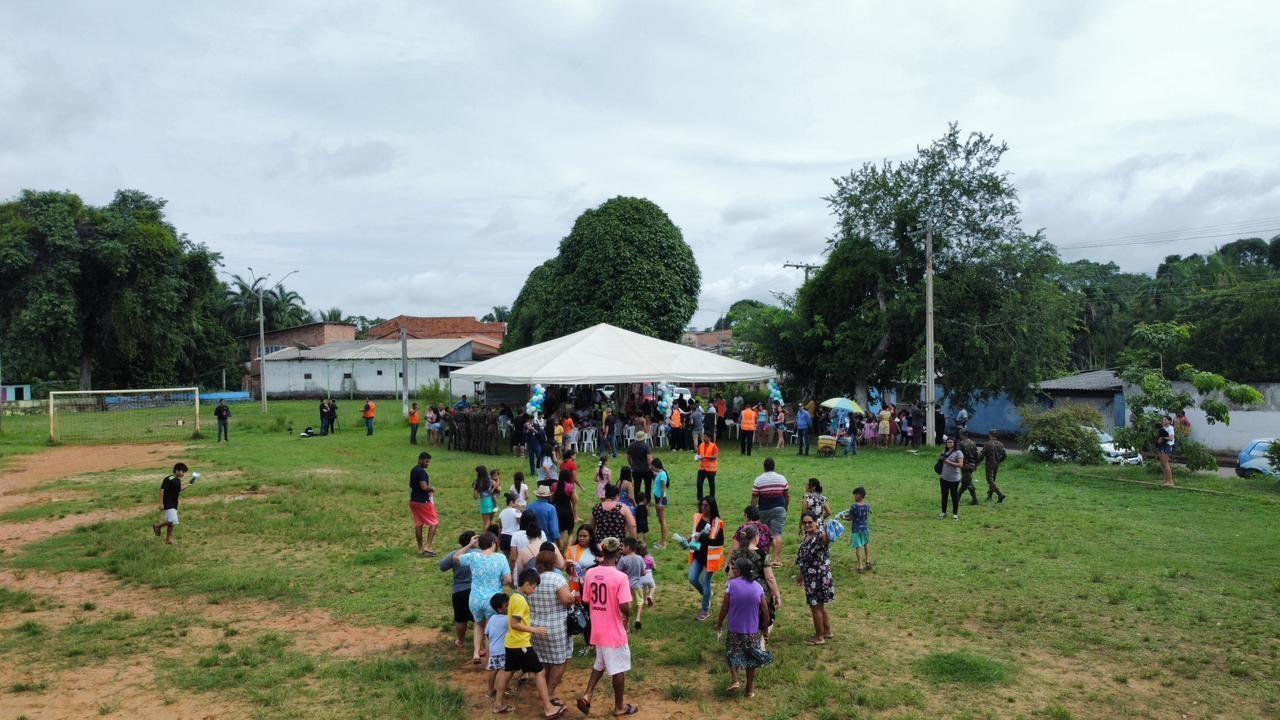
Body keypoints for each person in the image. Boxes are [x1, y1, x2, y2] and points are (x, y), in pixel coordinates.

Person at [576, 537, 636, 718]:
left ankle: (587, 695)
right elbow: (624, 604)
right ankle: (619, 707)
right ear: (618, 552)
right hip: (613, 629)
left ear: (601, 550)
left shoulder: (591, 574)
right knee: (618, 669)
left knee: (600, 663)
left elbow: (586, 600)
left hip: (598, 627)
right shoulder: (620, 577)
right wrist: (627, 614)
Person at [492, 569, 565, 719]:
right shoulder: (520, 600)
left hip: (512, 642)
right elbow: (514, 623)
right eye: (533, 587)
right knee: (539, 672)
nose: (534, 590)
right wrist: (535, 630)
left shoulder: (514, 596)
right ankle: (548, 708)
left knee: (508, 672)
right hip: (520, 643)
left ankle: (498, 704)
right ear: (526, 584)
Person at [716, 556, 774, 696]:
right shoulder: (758, 587)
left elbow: (725, 607)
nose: (732, 569)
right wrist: (765, 630)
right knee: (751, 660)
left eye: (734, 567)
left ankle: (735, 679)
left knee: (732, 653)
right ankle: (749, 690)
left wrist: (719, 622)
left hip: (735, 628)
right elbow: (765, 611)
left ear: (739, 571)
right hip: (752, 631)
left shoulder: (732, 584)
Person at [453, 532, 512, 664]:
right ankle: (490, 661)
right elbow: (508, 579)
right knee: (490, 630)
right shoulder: (500, 558)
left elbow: (456, 557)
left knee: (478, 624)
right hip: (493, 601)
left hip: (475, 599)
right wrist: (502, 582)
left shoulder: (474, 556)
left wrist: (469, 545)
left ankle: (476, 653)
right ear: (493, 543)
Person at [531, 549, 577, 699]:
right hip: (556, 627)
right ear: (553, 563)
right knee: (560, 661)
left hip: (536, 626)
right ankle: (549, 692)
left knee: (543, 659)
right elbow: (567, 600)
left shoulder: (532, 579)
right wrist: (573, 596)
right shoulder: (556, 579)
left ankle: (543, 691)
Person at [727, 525, 780, 644]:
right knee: (767, 613)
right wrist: (777, 595)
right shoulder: (763, 555)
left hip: (739, 591)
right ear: (756, 537)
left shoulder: (736, 554)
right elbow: (770, 578)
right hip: (759, 591)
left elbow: (731, 575)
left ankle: (742, 641)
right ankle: (761, 642)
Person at [796, 512, 834, 645]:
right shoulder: (808, 535)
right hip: (810, 576)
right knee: (820, 606)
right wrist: (801, 575)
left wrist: (829, 529)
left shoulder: (820, 535)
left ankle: (819, 637)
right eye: (804, 522)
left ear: (816, 522)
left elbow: (826, 540)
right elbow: (804, 557)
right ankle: (827, 631)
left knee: (815, 607)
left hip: (817, 577)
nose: (807, 525)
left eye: (809, 522)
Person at [686, 496, 725, 621]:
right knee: (692, 578)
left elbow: (719, 541)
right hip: (699, 554)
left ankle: (705, 609)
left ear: (711, 507)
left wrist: (701, 538)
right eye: (702, 505)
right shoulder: (698, 518)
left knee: (706, 582)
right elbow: (695, 534)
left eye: (706, 505)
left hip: (711, 558)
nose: (703, 507)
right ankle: (708, 596)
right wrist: (689, 540)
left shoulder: (717, 522)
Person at [439, 531, 479, 651]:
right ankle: (481, 647)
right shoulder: (480, 553)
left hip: (459, 591)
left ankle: (460, 641)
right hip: (476, 591)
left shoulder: (454, 554)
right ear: (473, 540)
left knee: (460, 618)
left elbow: (442, 566)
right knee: (478, 619)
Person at [751, 458, 789, 568]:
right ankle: (777, 559)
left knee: (764, 533)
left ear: (764, 467)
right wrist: (786, 506)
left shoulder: (759, 480)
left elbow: (754, 497)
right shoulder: (782, 478)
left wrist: (753, 510)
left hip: (764, 509)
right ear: (774, 466)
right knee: (777, 534)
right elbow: (786, 494)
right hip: (779, 508)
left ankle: (765, 557)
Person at [152, 462, 196, 544]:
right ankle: (158, 526)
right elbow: (162, 490)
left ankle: (168, 540)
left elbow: (179, 490)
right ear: (177, 471)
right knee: (173, 520)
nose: (183, 474)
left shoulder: (178, 480)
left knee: (171, 522)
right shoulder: (169, 479)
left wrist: (189, 485)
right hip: (168, 502)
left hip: (174, 503)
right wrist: (160, 503)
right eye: (182, 472)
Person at [617, 538, 651, 631]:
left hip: (626, 587)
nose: (621, 548)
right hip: (637, 585)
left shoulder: (623, 560)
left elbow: (617, 573)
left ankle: (627, 627)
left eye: (622, 546)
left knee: (627, 606)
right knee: (640, 602)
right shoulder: (640, 558)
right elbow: (643, 573)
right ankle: (638, 618)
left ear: (628, 547)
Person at [409, 452, 438, 556]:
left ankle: (420, 548)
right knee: (434, 522)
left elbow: (411, 485)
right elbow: (424, 487)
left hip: (413, 501)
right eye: (426, 461)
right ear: (420, 460)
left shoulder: (413, 470)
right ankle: (428, 547)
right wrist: (431, 488)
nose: (428, 464)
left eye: (429, 462)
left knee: (419, 524)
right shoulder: (421, 472)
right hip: (423, 502)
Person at [484, 593, 510, 700]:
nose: (509, 607)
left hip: (494, 650)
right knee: (505, 672)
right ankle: (504, 689)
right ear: (500, 609)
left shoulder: (492, 618)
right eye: (507, 605)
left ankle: (490, 690)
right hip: (504, 650)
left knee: (493, 671)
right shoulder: (508, 619)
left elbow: (487, 633)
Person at [565, 524, 598, 598]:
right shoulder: (572, 550)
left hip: (595, 586)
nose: (581, 538)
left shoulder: (598, 549)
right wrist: (568, 566)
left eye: (585, 536)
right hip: (578, 588)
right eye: (580, 536)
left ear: (591, 537)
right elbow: (569, 572)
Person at [526, 486, 561, 551]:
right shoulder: (551, 508)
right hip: (547, 542)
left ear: (537, 496)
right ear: (548, 496)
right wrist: (559, 545)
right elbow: (554, 530)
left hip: (530, 540)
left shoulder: (529, 507)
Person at [846, 487, 872, 572]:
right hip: (865, 529)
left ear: (859, 495)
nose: (854, 496)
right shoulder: (867, 506)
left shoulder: (854, 506)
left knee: (858, 547)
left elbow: (850, 518)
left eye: (855, 495)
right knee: (866, 544)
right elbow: (869, 511)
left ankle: (860, 566)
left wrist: (843, 517)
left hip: (856, 530)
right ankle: (868, 561)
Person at [938, 437, 964, 520]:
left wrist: (949, 462)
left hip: (954, 479)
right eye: (948, 442)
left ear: (954, 443)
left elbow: (960, 465)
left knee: (954, 496)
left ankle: (955, 514)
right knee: (944, 496)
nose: (949, 443)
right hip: (944, 477)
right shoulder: (944, 451)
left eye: (951, 442)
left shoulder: (958, 453)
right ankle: (943, 512)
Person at [978, 431, 1008, 503]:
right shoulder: (1000, 444)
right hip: (996, 464)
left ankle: (1000, 494)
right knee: (992, 480)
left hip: (989, 464)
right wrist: (999, 460)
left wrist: (978, 460)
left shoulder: (987, 444)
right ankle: (989, 496)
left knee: (989, 480)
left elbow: (982, 455)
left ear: (990, 435)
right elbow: (1005, 455)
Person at [553, 469, 577, 550]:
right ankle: (567, 551)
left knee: (561, 533)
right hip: (567, 511)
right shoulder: (570, 487)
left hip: (557, 511)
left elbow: (552, 499)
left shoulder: (554, 486)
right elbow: (574, 501)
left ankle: (561, 551)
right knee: (571, 533)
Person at [626, 432, 654, 499]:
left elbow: (628, 457)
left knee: (637, 486)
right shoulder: (646, 446)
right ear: (644, 438)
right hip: (646, 469)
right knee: (648, 486)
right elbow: (649, 458)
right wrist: (651, 467)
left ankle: (637, 500)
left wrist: (631, 464)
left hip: (635, 469)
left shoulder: (631, 446)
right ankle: (647, 500)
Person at [650, 458, 669, 548]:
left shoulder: (662, 475)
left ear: (656, 466)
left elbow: (663, 488)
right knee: (661, 521)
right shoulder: (660, 473)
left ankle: (664, 543)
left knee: (662, 521)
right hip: (658, 498)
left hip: (661, 500)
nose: (652, 468)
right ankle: (662, 540)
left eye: (653, 466)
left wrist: (660, 502)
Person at [957, 431, 981, 505]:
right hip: (972, 465)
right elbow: (977, 454)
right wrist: (977, 464)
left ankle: (975, 500)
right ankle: (957, 497)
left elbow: (959, 455)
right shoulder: (973, 443)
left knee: (968, 483)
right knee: (965, 482)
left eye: (960, 434)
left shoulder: (961, 444)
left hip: (965, 466)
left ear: (962, 435)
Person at [696, 433, 720, 502]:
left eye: (705, 437)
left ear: (710, 438)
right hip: (702, 468)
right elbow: (698, 454)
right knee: (699, 483)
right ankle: (700, 499)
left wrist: (705, 457)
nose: (704, 438)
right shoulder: (701, 445)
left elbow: (715, 457)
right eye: (704, 437)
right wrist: (697, 457)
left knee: (711, 485)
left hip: (711, 469)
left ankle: (712, 499)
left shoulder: (713, 446)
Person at [561, 449, 580, 524]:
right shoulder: (573, 464)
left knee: (569, 502)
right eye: (575, 455)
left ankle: (575, 517)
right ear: (571, 456)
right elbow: (574, 478)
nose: (575, 456)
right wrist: (581, 486)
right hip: (571, 485)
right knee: (575, 501)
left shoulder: (562, 464)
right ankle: (575, 517)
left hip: (563, 485)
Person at [1158, 415, 1176, 487]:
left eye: (1165, 420)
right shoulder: (1163, 428)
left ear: (1169, 421)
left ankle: (1170, 482)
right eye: (1163, 420)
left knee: (1165, 463)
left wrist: (1163, 437)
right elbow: (1161, 437)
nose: (1163, 421)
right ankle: (1166, 480)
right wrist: (1159, 440)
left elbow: (1171, 438)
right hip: (1162, 446)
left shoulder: (1170, 428)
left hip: (1167, 446)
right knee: (1162, 463)